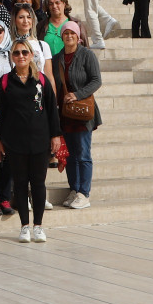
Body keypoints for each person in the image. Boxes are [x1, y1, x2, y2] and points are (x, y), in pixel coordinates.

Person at [0, 38, 62, 242]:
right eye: (16, 53)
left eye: (25, 52)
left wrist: (55, 135)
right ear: (12, 57)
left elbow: (51, 109)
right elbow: (1, 113)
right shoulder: (6, 81)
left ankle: (38, 225)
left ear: (32, 55)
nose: (21, 56)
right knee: (21, 184)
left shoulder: (41, 79)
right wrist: (0, 140)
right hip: (15, 141)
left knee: (39, 183)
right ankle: (24, 225)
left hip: (40, 140)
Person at [50, 22, 102, 209]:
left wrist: (77, 95)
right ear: (62, 36)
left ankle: (84, 193)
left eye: (72, 33)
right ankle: (74, 189)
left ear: (78, 35)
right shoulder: (57, 58)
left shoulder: (87, 54)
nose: (69, 36)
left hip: (82, 111)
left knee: (83, 153)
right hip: (65, 113)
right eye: (66, 33)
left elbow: (96, 80)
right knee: (69, 154)